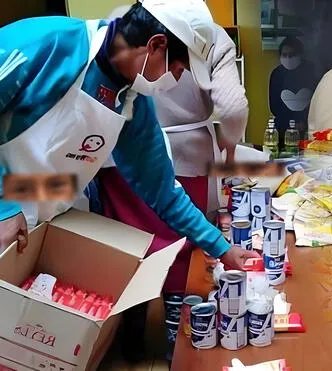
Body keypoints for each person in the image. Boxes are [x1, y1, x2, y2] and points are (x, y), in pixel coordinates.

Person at [0, 1, 259, 268]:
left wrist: (222, 248)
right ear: (155, 45)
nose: (176, 80)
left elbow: (162, 191)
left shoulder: (133, 102)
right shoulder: (46, 45)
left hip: (50, 222)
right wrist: (1, 205)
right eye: (178, 69)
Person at [94, 3, 250, 362]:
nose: (178, 74)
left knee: (127, 246)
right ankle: (175, 343)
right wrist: (228, 147)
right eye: (178, 66)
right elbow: (231, 108)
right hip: (185, 155)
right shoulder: (210, 34)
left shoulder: (122, 19)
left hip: (115, 158)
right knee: (178, 251)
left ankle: (129, 339)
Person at [269, 36, 314, 146]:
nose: (288, 58)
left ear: (300, 54)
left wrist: (303, 122)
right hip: (283, 128)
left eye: (292, 54)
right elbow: (274, 105)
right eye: (285, 55)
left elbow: (317, 101)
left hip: (309, 126)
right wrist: (291, 124)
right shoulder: (277, 74)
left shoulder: (311, 71)